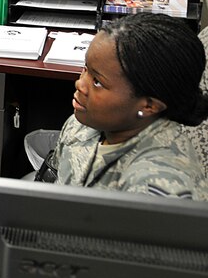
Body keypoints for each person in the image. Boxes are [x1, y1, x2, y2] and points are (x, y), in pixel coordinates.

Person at [53, 12, 208, 200]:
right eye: (85, 68)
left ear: (149, 105)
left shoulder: (159, 189)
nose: (80, 84)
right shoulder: (83, 124)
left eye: (97, 82)